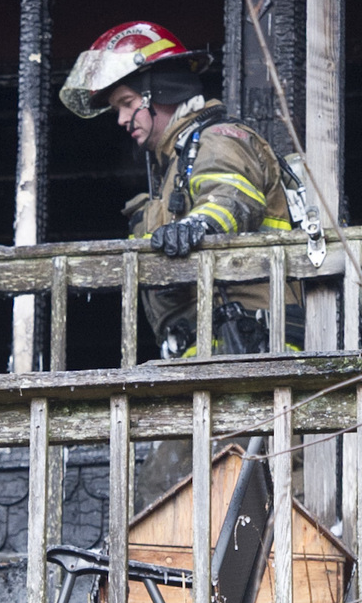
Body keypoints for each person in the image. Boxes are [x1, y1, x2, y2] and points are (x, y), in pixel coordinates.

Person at [58, 20, 303, 359]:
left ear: (160, 91)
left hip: (258, 350)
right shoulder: (177, 164)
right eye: (117, 109)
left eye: (127, 103)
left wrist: (196, 225)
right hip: (211, 354)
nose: (121, 119)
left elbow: (231, 195)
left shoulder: (218, 139)